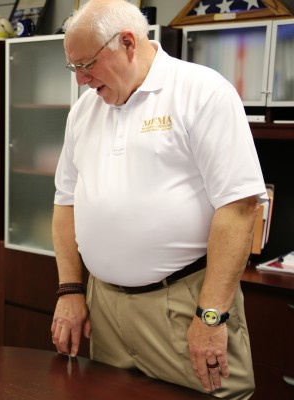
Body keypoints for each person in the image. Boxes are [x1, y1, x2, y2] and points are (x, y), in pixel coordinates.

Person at [50, 1, 266, 399]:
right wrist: (70, 290)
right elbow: (66, 205)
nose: (80, 79)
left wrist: (211, 316)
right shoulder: (84, 112)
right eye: (73, 67)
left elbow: (239, 208)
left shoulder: (202, 92)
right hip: (106, 306)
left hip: (184, 303)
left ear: (128, 43)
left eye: (87, 64)